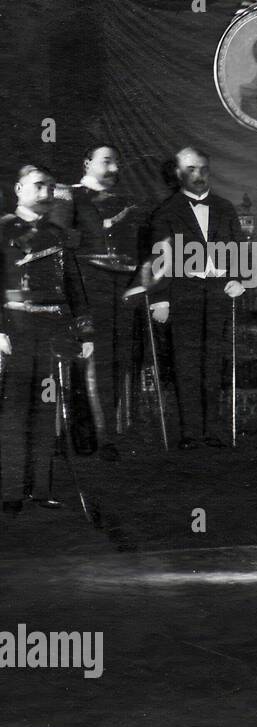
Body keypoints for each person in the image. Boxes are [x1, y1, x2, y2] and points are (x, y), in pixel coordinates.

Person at [136, 146, 246, 450]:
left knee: (214, 363)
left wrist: (239, 278)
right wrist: (160, 298)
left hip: (218, 294)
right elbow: (159, 258)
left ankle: (213, 430)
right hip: (182, 295)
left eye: (202, 169)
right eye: (190, 170)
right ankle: (190, 433)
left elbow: (238, 248)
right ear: (177, 173)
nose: (197, 176)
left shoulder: (225, 207)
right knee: (185, 364)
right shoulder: (166, 212)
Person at [0, 165, 94, 515]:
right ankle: (10, 491)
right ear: (19, 189)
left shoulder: (58, 235)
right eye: (39, 186)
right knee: (13, 412)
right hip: (16, 331)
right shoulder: (3, 230)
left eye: (51, 187)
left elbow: (74, 286)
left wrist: (84, 331)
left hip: (53, 334)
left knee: (45, 410)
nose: (46, 193)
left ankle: (40, 489)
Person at [51, 144, 142, 461]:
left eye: (117, 163)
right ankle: (87, 437)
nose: (114, 168)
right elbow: (59, 245)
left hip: (121, 288)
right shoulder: (69, 195)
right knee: (89, 361)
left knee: (116, 361)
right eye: (106, 162)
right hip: (86, 286)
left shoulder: (126, 202)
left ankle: (106, 435)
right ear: (87, 163)